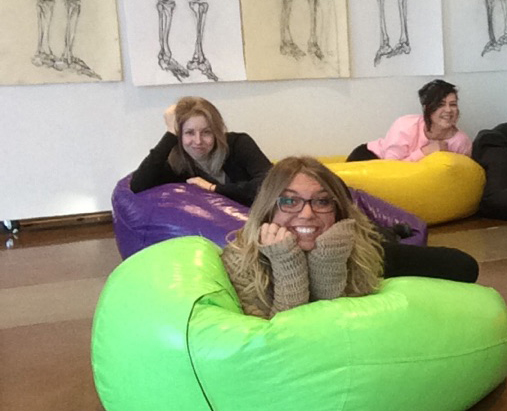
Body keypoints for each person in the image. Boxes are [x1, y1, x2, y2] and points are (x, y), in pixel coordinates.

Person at [222, 156, 480, 319]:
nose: (307, 213)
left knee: (395, 241)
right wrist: (287, 264)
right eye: (289, 201)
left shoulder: (355, 248)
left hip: (362, 241)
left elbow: (463, 266)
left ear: (337, 209)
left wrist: (329, 261)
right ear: (268, 209)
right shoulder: (242, 261)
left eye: (323, 201)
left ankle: (394, 231)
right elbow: (283, 346)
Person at [130, 96, 272, 207]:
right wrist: (170, 133)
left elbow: (271, 184)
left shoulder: (239, 143)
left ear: (216, 132)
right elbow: (138, 185)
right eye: (189, 133)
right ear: (179, 135)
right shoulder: (177, 165)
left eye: (206, 132)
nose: (198, 141)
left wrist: (213, 188)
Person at [347, 79, 472, 162]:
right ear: (426, 108)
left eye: (453, 104)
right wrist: (424, 152)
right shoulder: (405, 125)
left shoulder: (461, 142)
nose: (448, 110)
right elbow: (391, 169)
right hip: (371, 158)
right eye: (440, 104)